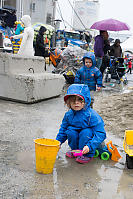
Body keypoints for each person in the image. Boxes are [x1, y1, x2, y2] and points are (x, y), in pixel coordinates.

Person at [56, 84, 106, 164]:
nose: (76, 103)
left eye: (80, 100)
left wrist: (90, 146)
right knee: (70, 131)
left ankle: (88, 155)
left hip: (88, 141)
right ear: (68, 102)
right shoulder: (68, 115)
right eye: (73, 100)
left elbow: (101, 133)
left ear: (86, 101)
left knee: (86, 132)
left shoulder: (91, 115)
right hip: (77, 136)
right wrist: (58, 142)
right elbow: (63, 129)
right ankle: (76, 151)